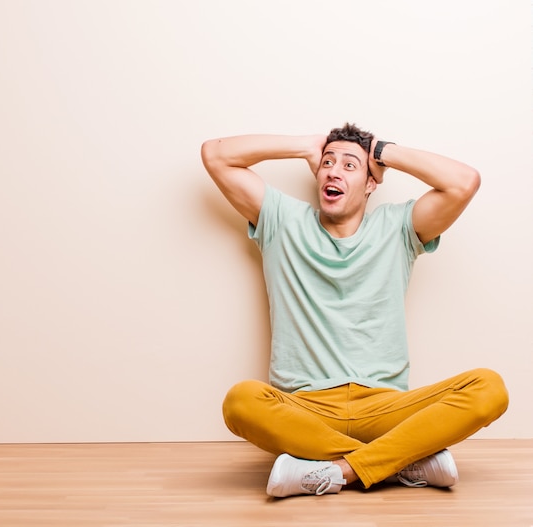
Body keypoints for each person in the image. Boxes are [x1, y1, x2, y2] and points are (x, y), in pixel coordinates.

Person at [200, 124, 509, 498]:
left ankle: (338, 471)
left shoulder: (398, 227)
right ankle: (398, 464)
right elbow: (216, 155)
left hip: (385, 407)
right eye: (328, 163)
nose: (333, 170)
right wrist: (306, 148)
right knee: (241, 402)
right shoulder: (282, 220)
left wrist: (381, 152)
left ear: (370, 183)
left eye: (350, 166)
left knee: (489, 388)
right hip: (305, 406)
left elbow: (464, 181)